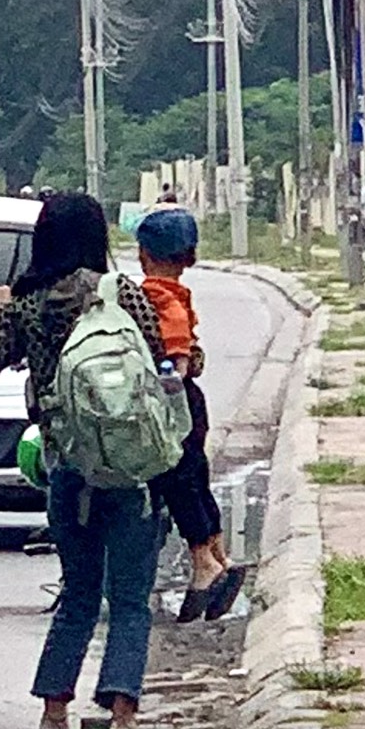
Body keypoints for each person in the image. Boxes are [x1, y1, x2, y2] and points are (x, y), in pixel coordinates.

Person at [0, 190, 173, 729]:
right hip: (132, 473)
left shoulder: (29, 305)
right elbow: (156, 360)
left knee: (78, 593)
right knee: (131, 599)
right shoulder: (124, 294)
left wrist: (0, 312)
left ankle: (54, 721)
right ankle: (125, 724)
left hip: (68, 469)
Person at [134, 207, 245, 623]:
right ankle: (218, 555)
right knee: (195, 476)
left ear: (144, 253)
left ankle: (205, 562)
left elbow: (177, 354)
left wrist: (174, 376)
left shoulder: (154, 297)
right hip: (191, 401)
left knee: (177, 478)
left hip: (172, 401)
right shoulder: (179, 294)